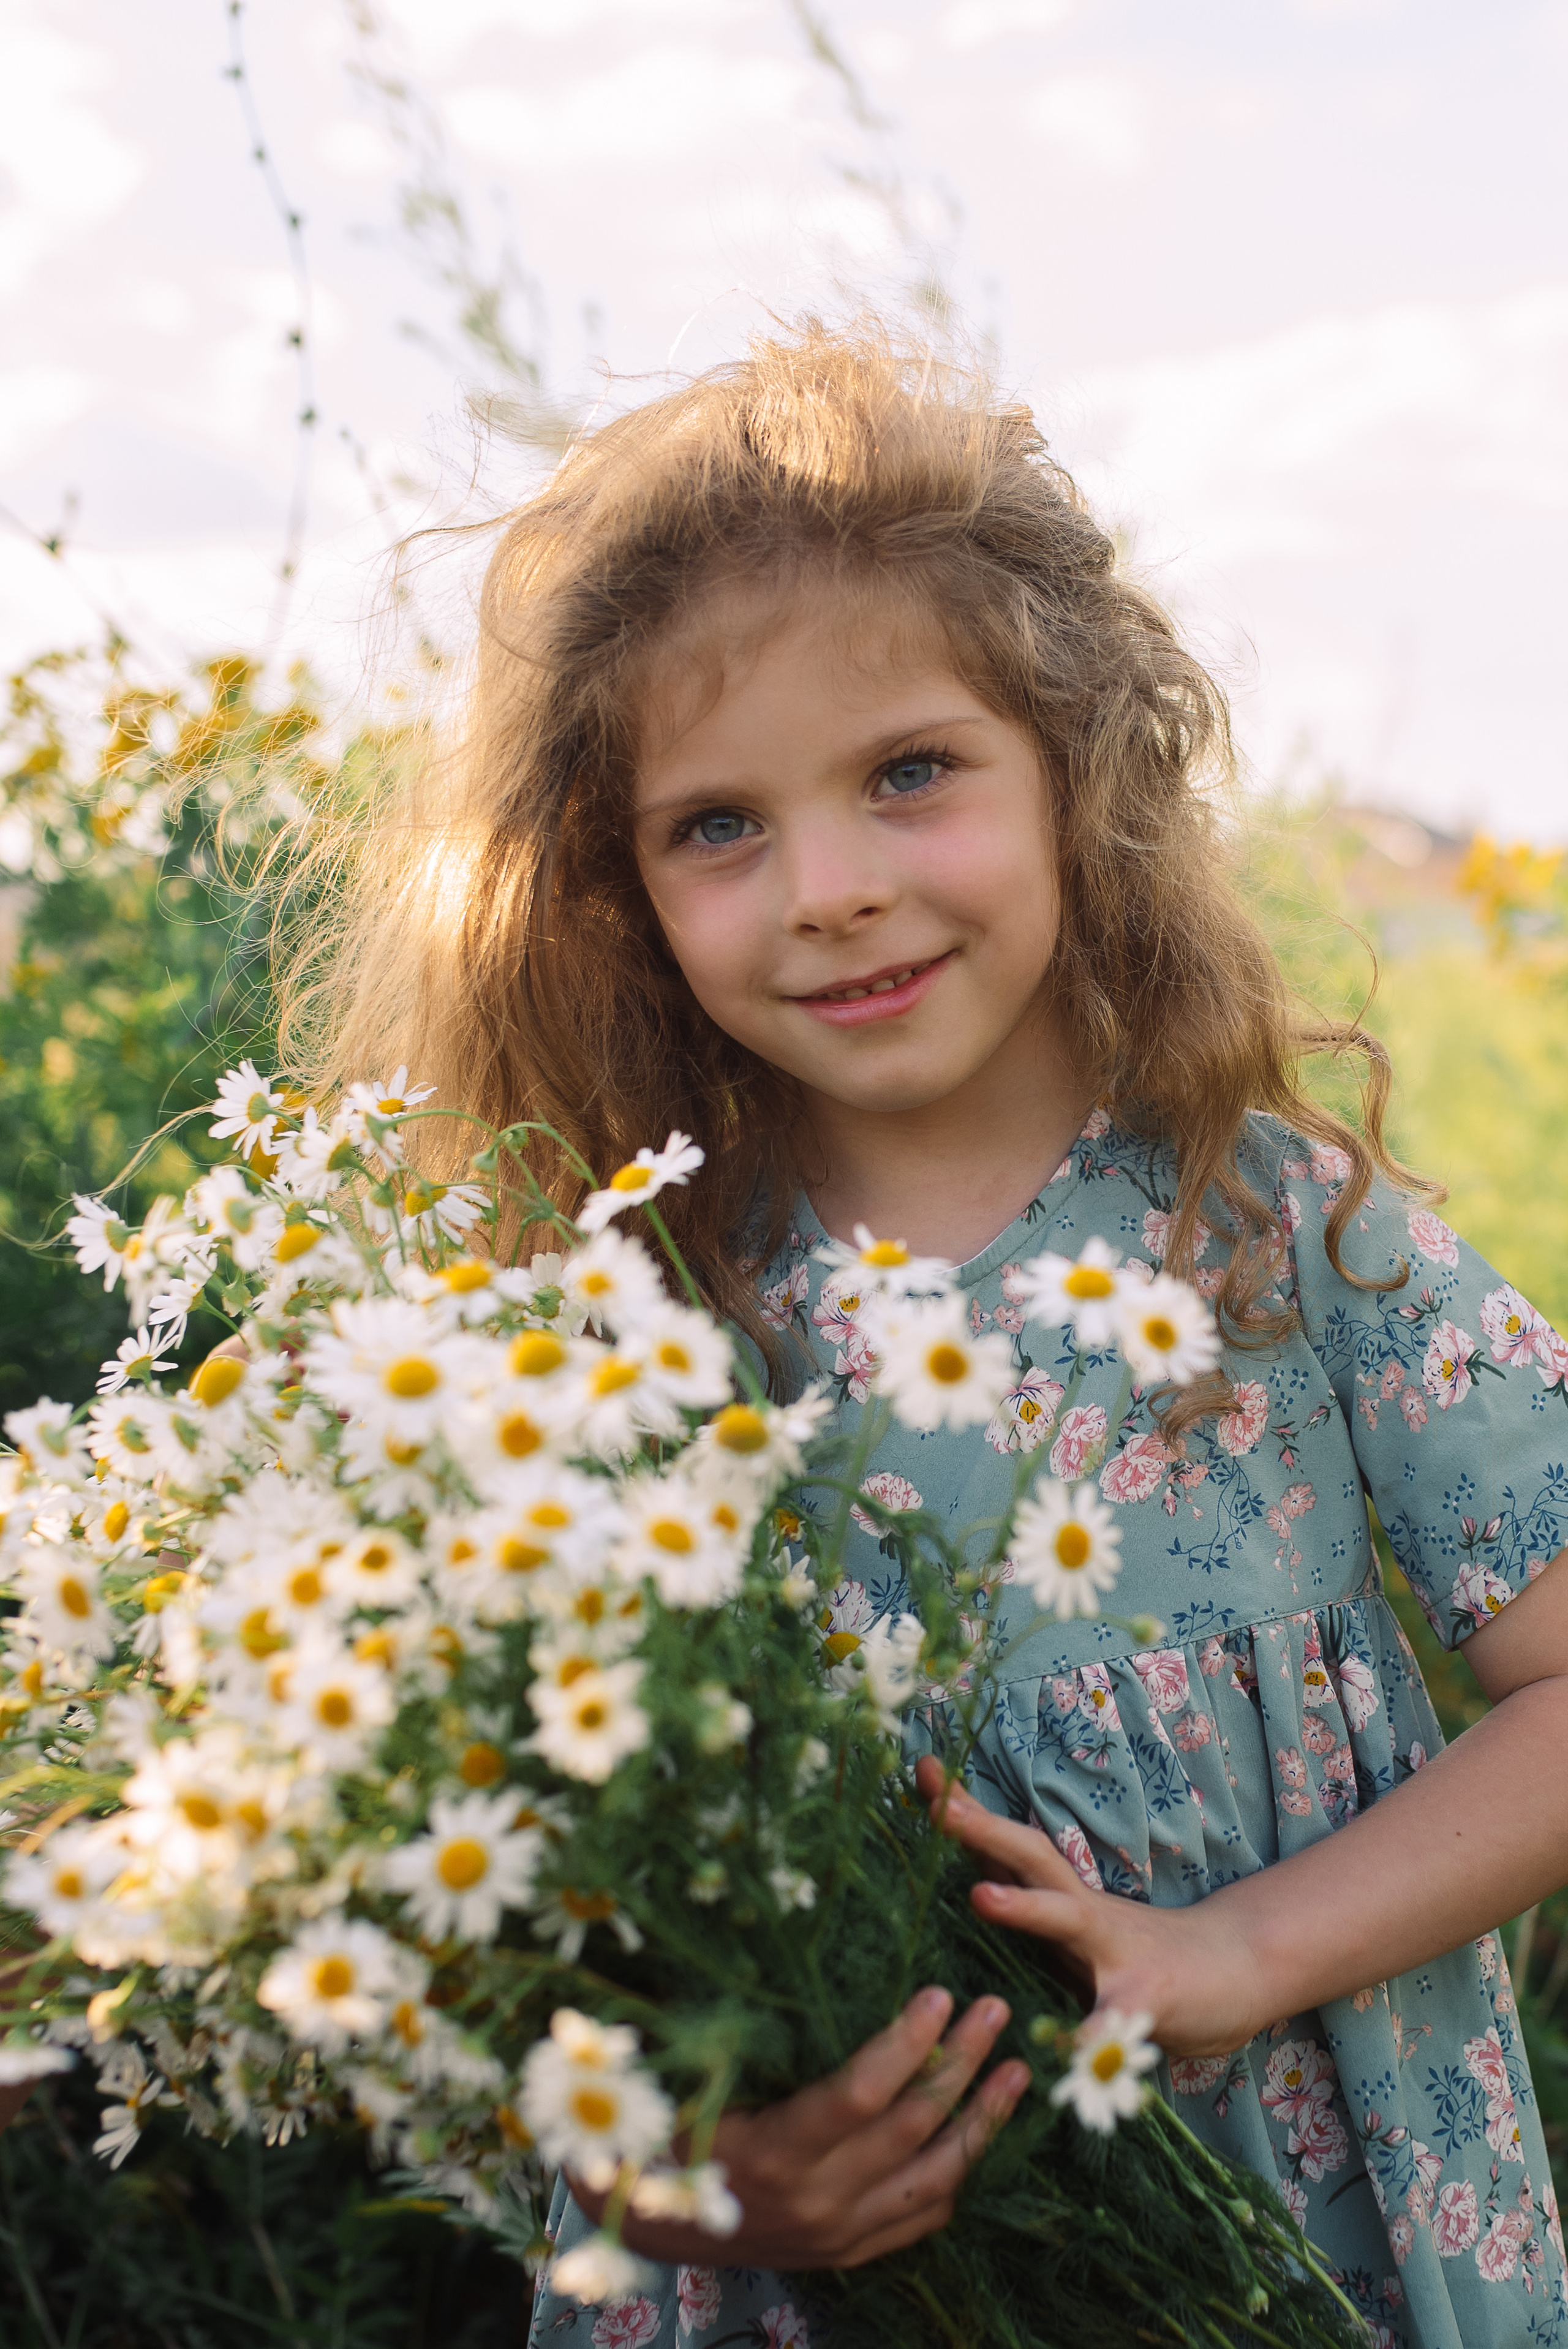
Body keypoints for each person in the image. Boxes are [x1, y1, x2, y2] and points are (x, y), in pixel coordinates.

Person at [297, 319, 1567, 2348]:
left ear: (1076, 769)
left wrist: (1244, 1944)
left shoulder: (1278, 1232)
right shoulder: (615, 1328)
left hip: (1284, 2249)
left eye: (909, 773)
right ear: (615, 890)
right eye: (719, 824)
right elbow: (513, 1910)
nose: (831, 889)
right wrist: (693, 2178)